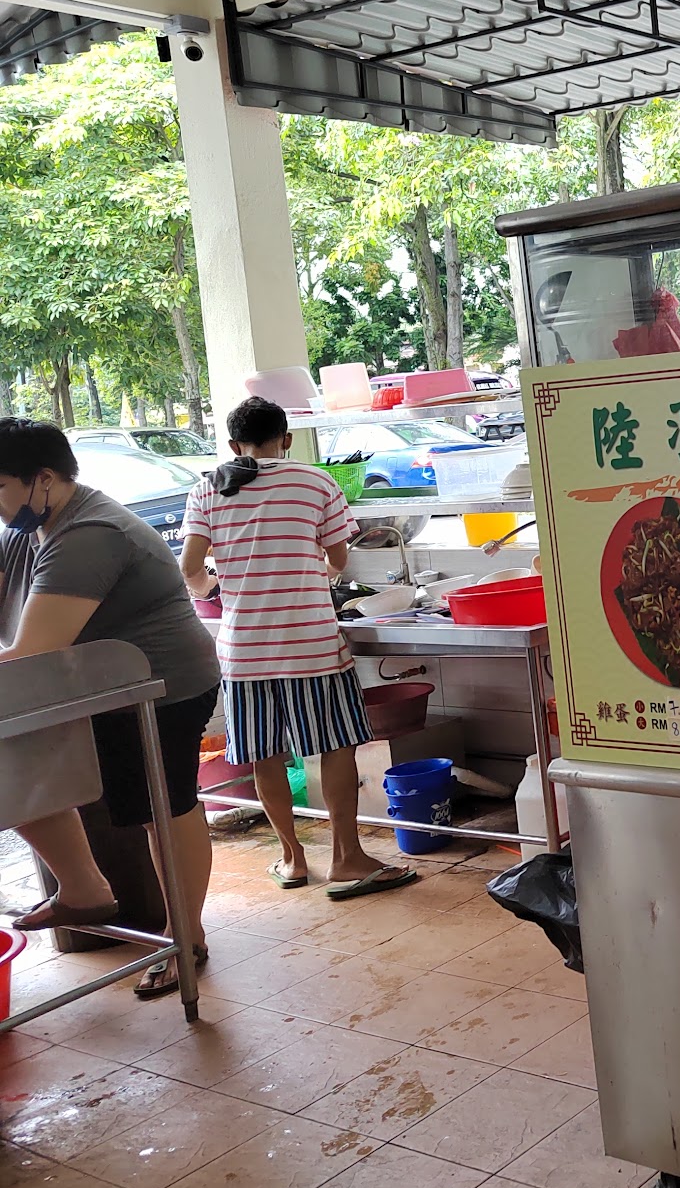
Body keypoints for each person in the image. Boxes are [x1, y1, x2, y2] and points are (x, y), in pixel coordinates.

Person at [0, 419, 220, 998]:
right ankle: (84, 888)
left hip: (163, 687)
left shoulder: (89, 535)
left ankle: (186, 937)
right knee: (25, 774)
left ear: (43, 479)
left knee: (164, 807)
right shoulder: (30, 528)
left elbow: (31, 651)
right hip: (102, 687)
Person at [181, 397, 416, 901]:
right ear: (286, 439)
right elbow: (339, 558)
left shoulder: (207, 488)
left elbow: (189, 568)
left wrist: (213, 588)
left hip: (244, 651)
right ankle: (346, 857)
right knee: (336, 746)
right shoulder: (316, 482)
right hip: (312, 644)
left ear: (233, 444)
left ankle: (292, 859)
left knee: (264, 754)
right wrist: (317, 571)